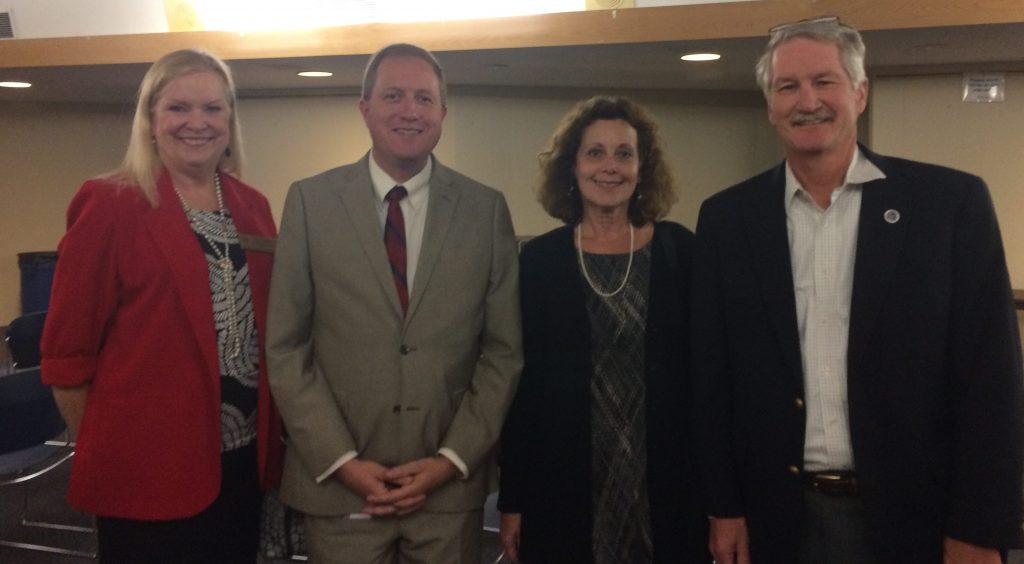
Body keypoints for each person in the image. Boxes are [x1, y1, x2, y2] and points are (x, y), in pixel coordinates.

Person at [691, 16, 1023, 564]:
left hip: (917, 519)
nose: (807, 101)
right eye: (787, 86)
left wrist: (980, 526)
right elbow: (712, 378)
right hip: (776, 517)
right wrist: (723, 506)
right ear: (770, 105)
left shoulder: (948, 206)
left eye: (825, 82)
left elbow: (991, 381)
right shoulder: (729, 219)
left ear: (860, 93)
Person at [266, 43, 522, 563]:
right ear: (365, 108)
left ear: (443, 113)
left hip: (447, 492)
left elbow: (503, 353)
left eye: (424, 98)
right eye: (394, 96)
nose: (410, 110)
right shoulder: (310, 203)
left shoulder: (486, 210)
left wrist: (451, 460)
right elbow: (286, 349)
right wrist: (341, 462)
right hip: (340, 489)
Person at [40, 49, 282, 562]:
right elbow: (67, 358)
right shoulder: (110, 204)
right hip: (146, 471)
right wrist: (113, 450)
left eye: (213, 109)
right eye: (178, 108)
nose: (197, 122)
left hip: (240, 463)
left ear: (230, 120)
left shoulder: (253, 207)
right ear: (150, 120)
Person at [498, 96, 710, 563]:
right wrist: (512, 499)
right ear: (571, 166)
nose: (609, 167)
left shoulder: (683, 254)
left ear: (643, 167)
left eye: (624, 153)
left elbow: (707, 385)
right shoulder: (540, 262)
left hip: (669, 485)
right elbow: (525, 389)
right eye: (594, 153)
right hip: (564, 484)